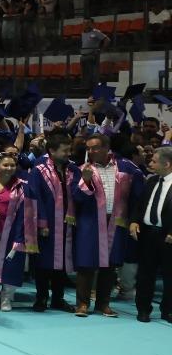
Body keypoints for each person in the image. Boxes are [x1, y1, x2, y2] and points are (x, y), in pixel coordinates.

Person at [70, 129, 141, 318]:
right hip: (90, 221)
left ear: (106, 148)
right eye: (88, 148)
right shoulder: (81, 169)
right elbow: (76, 198)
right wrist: (85, 181)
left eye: (95, 148)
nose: (91, 152)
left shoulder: (127, 167)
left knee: (109, 265)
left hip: (116, 221)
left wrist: (134, 219)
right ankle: (82, 304)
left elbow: (137, 197)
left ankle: (103, 304)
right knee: (86, 262)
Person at [25, 133, 74, 312]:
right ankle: (41, 298)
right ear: (52, 151)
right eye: (65, 150)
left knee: (62, 262)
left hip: (67, 223)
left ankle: (58, 299)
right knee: (43, 262)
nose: (68, 153)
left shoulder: (72, 169)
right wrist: (42, 223)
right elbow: (34, 197)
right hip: (48, 222)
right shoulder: (39, 170)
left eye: (69, 150)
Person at [0, 153, 31, 312]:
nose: (9, 168)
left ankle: (7, 297)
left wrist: (21, 236)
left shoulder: (22, 186)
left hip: (13, 232)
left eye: (12, 165)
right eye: (5, 165)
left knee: (12, 265)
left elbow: (26, 212)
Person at [129, 145, 172, 323]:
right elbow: (140, 205)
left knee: (170, 275)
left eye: (154, 161)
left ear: (167, 164)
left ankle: (168, 310)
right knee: (145, 274)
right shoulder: (151, 181)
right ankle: (143, 309)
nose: (150, 164)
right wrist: (134, 221)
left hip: (168, 236)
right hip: (147, 234)